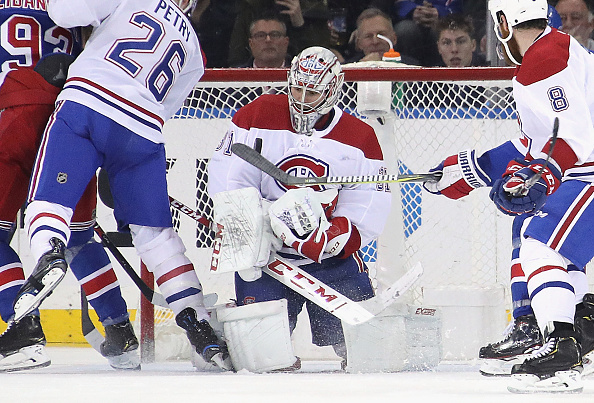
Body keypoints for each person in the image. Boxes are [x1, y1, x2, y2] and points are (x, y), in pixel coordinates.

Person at [11, 0, 231, 371]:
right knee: (156, 237)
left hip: (87, 103)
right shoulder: (195, 49)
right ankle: (200, 326)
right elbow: (167, 106)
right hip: (143, 131)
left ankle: (49, 253)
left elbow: (64, 13)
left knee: (48, 204)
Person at [425, 0, 594, 392]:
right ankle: (580, 331)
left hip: (588, 168)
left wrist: (544, 173)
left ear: (503, 21)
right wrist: (468, 169)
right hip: (585, 167)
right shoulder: (552, 49)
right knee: (543, 234)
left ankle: (561, 353)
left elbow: (573, 140)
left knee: (538, 238)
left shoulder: (545, 58)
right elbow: (535, 143)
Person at [208, 46, 392, 366]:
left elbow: (368, 200)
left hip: (329, 259)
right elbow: (229, 178)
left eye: (313, 93)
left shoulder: (359, 137)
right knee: (262, 362)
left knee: (369, 353)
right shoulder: (257, 115)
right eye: (297, 89)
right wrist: (257, 224)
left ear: (333, 90)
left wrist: (334, 236)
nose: (302, 99)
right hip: (269, 256)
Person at [0, 8, 139, 371]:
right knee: (76, 237)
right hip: (70, 115)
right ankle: (120, 331)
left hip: (11, 111)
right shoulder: (76, 4)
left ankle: (23, 331)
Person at [228, 0, 332, 67]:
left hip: (296, 77)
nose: (268, 40)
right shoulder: (249, 7)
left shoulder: (314, 7)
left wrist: (300, 26)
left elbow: (319, 61)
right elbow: (236, 56)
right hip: (252, 78)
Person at [391, 0, 463, 66]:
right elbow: (400, 4)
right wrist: (413, 10)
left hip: (447, 17)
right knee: (405, 30)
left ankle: (441, 73)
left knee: (443, 33)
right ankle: (407, 73)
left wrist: (440, 12)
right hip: (409, 19)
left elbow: (459, 6)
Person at [346, 7, 419, 64]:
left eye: (381, 34)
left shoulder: (412, 68)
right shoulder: (344, 73)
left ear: (394, 38)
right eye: (368, 36)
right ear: (359, 43)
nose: (375, 41)